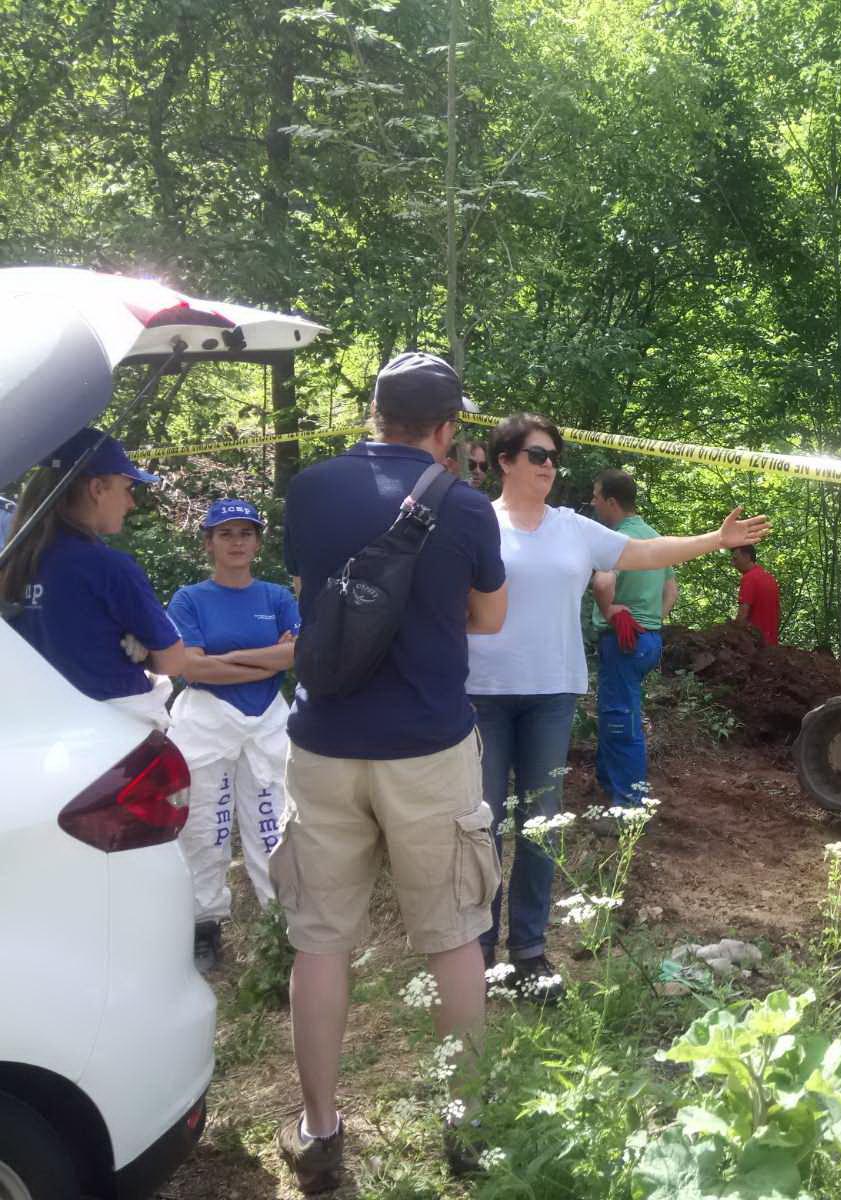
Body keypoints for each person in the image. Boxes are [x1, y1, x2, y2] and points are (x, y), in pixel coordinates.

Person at [271, 352, 507, 1190]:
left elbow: (311, 595)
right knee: (452, 936)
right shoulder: (469, 507)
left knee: (321, 942)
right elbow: (489, 614)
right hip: (430, 748)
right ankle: (466, 1127)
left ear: (374, 414)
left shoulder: (311, 489)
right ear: (448, 430)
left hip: (325, 743)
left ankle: (321, 1130)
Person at [467, 420, 770, 1001]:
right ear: (505, 460)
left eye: (555, 456)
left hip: (552, 694)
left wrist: (716, 538)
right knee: (481, 824)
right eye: (536, 454)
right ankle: (476, 954)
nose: (549, 464)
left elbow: (644, 551)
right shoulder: (477, 521)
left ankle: (528, 953)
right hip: (482, 692)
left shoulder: (573, 529)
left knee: (540, 826)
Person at [166, 499, 299, 973]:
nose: (238, 542)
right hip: (206, 721)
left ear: (258, 541)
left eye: (246, 532)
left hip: (267, 718)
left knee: (274, 825)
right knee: (206, 826)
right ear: (209, 543)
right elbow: (189, 666)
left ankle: (281, 928)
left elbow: (296, 655)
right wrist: (262, 656)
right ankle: (205, 928)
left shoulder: (277, 597)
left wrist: (226, 660)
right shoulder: (189, 599)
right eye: (226, 534)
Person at [588, 469, 769, 810]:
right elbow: (672, 589)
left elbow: (601, 584)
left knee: (620, 718)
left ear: (612, 502)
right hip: (649, 640)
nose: (593, 503)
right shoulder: (655, 538)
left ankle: (629, 805)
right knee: (617, 711)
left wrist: (611, 609)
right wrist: (655, 617)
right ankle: (607, 782)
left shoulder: (616, 541)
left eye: (596, 496)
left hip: (623, 641)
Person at [0, 427, 188, 728]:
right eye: (127, 488)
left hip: (41, 728)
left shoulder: (15, 563)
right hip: (115, 736)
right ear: (97, 488)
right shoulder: (107, 567)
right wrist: (146, 653)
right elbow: (174, 661)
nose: (131, 503)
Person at [731, 544, 780, 645]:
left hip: (755, 644)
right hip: (771, 644)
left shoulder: (749, 578)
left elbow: (742, 614)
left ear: (747, 557)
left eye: (735, 559)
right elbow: (778, 612)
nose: (733, 563)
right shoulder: (769, 578)